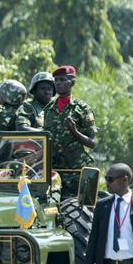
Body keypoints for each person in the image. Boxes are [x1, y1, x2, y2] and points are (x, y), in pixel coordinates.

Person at [44, 65, 97, 197]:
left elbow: (92, 143)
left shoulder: (82, 109)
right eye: (55, 80)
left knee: (81, 209)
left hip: (76, 171)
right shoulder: (48, 109)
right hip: (54, 171)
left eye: (62, 80)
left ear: (72, 83)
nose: (58, 83)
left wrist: (75, 131)